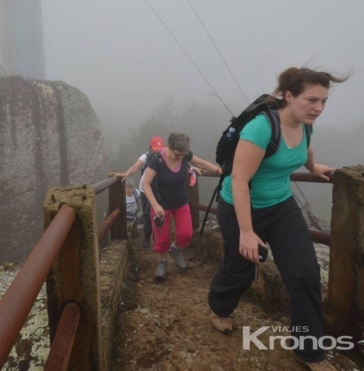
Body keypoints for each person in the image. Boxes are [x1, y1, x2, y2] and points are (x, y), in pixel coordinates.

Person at [207, 67, 347, 371]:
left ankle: (309, 351)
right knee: (240, 268)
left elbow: (304, 147)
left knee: (305, 272)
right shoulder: (260, 128)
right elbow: (240, 180)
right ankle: (219, 307)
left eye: (323, 102)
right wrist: (246, 232)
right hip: (241, 206)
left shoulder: (306, 123)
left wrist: (312, 167)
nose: (319, 108)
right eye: (312, 100)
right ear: (288, 96)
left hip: (282, 206)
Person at [142, 132, 222, 281]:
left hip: (181, 202)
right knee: (162, 238)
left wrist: (218, 170)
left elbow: (200, 163)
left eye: (182, 155)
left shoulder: (185, 155)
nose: (180, 158)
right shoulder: (157, 160)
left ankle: (176, 249)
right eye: (177, 155)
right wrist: (155, 205)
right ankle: (162, 262)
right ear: (169, 147)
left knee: (186, 234)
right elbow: (145, 183)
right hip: (160, 206)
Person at [116, 136, 165, 250]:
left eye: (160, 148)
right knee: (148, 215)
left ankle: (157, 238)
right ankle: (147, 237)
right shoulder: (146, 157)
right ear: (150, 148)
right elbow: (135, 167)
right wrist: (127, 173)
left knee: (161, 213)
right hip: (145, 190)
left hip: (160, 189)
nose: (157, 151)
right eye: (155, 148)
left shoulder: (165, 157)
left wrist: (190, 169)